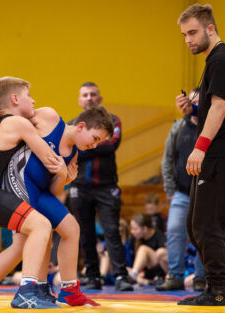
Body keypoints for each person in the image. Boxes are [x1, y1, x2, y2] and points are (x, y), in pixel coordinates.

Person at [0, 77, 65, 309]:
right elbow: (49, 159)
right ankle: (27, 292)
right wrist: (67, 171)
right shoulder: (18, 123)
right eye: (29, 96)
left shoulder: (3, 121)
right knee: (41, 225)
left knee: (22, 242)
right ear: (15, 99)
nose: (34, 100)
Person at [2, 106, 113, 306]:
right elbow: (16, 119)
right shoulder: (50, 117)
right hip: (21, 183)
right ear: (81, 126)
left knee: (72, 228)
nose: (95, 146)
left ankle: (69, 290)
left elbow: (54, 192)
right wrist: (0, 114)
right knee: (35, 235)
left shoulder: (75, 154)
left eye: (99, 142)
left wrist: (62, 175)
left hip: (41, 192)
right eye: (95, 138)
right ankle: (20, 289)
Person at [176, 4, 225, 306]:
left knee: (206, 225)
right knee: (196, 224)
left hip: (220, 154)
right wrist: (192, 108)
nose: (188, 40)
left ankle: (218, 290)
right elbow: (211, 107)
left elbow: (220, 108)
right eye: (184, 35)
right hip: (218, 154)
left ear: (210, 28)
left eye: (192, 32)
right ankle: (214, 285)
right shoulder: (214, 62)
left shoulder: (221, 60)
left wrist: (199, 147)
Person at [68, 82, 133, 291]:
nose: (89, 98)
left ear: (100, 99)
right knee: (84, 233)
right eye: (85, 95)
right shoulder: (72, 123)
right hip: (79, 186)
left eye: (93, 94)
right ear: (79, 100)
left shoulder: (113, 120)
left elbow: (111, 143)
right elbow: (69, 150)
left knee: (112, 230)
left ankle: (121, 276)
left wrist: (84, 146)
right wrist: (96, 145)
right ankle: (92, 276)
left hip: (106, 186)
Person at [158, 88, 205, 292]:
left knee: (204, 234)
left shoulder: (211, 126)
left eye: (197, 100)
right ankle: (175, 275)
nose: (192, 103)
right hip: (182, 192)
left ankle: (201, 277)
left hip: (207, 193)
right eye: (190, 99)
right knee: (175, 231)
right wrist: (170, 188)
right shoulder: (178, 127)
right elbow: (167, 159)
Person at [128, 214, 168, 285]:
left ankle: (133, 276)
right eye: (132, 229)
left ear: (145, 229)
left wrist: (145, 274)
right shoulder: (134, 239)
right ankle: (138, 278)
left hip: (159, 272)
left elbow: (163, 265)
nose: (132, 231)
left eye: (135, 229)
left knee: (143, 249)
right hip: (143, 273)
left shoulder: (159, 237)